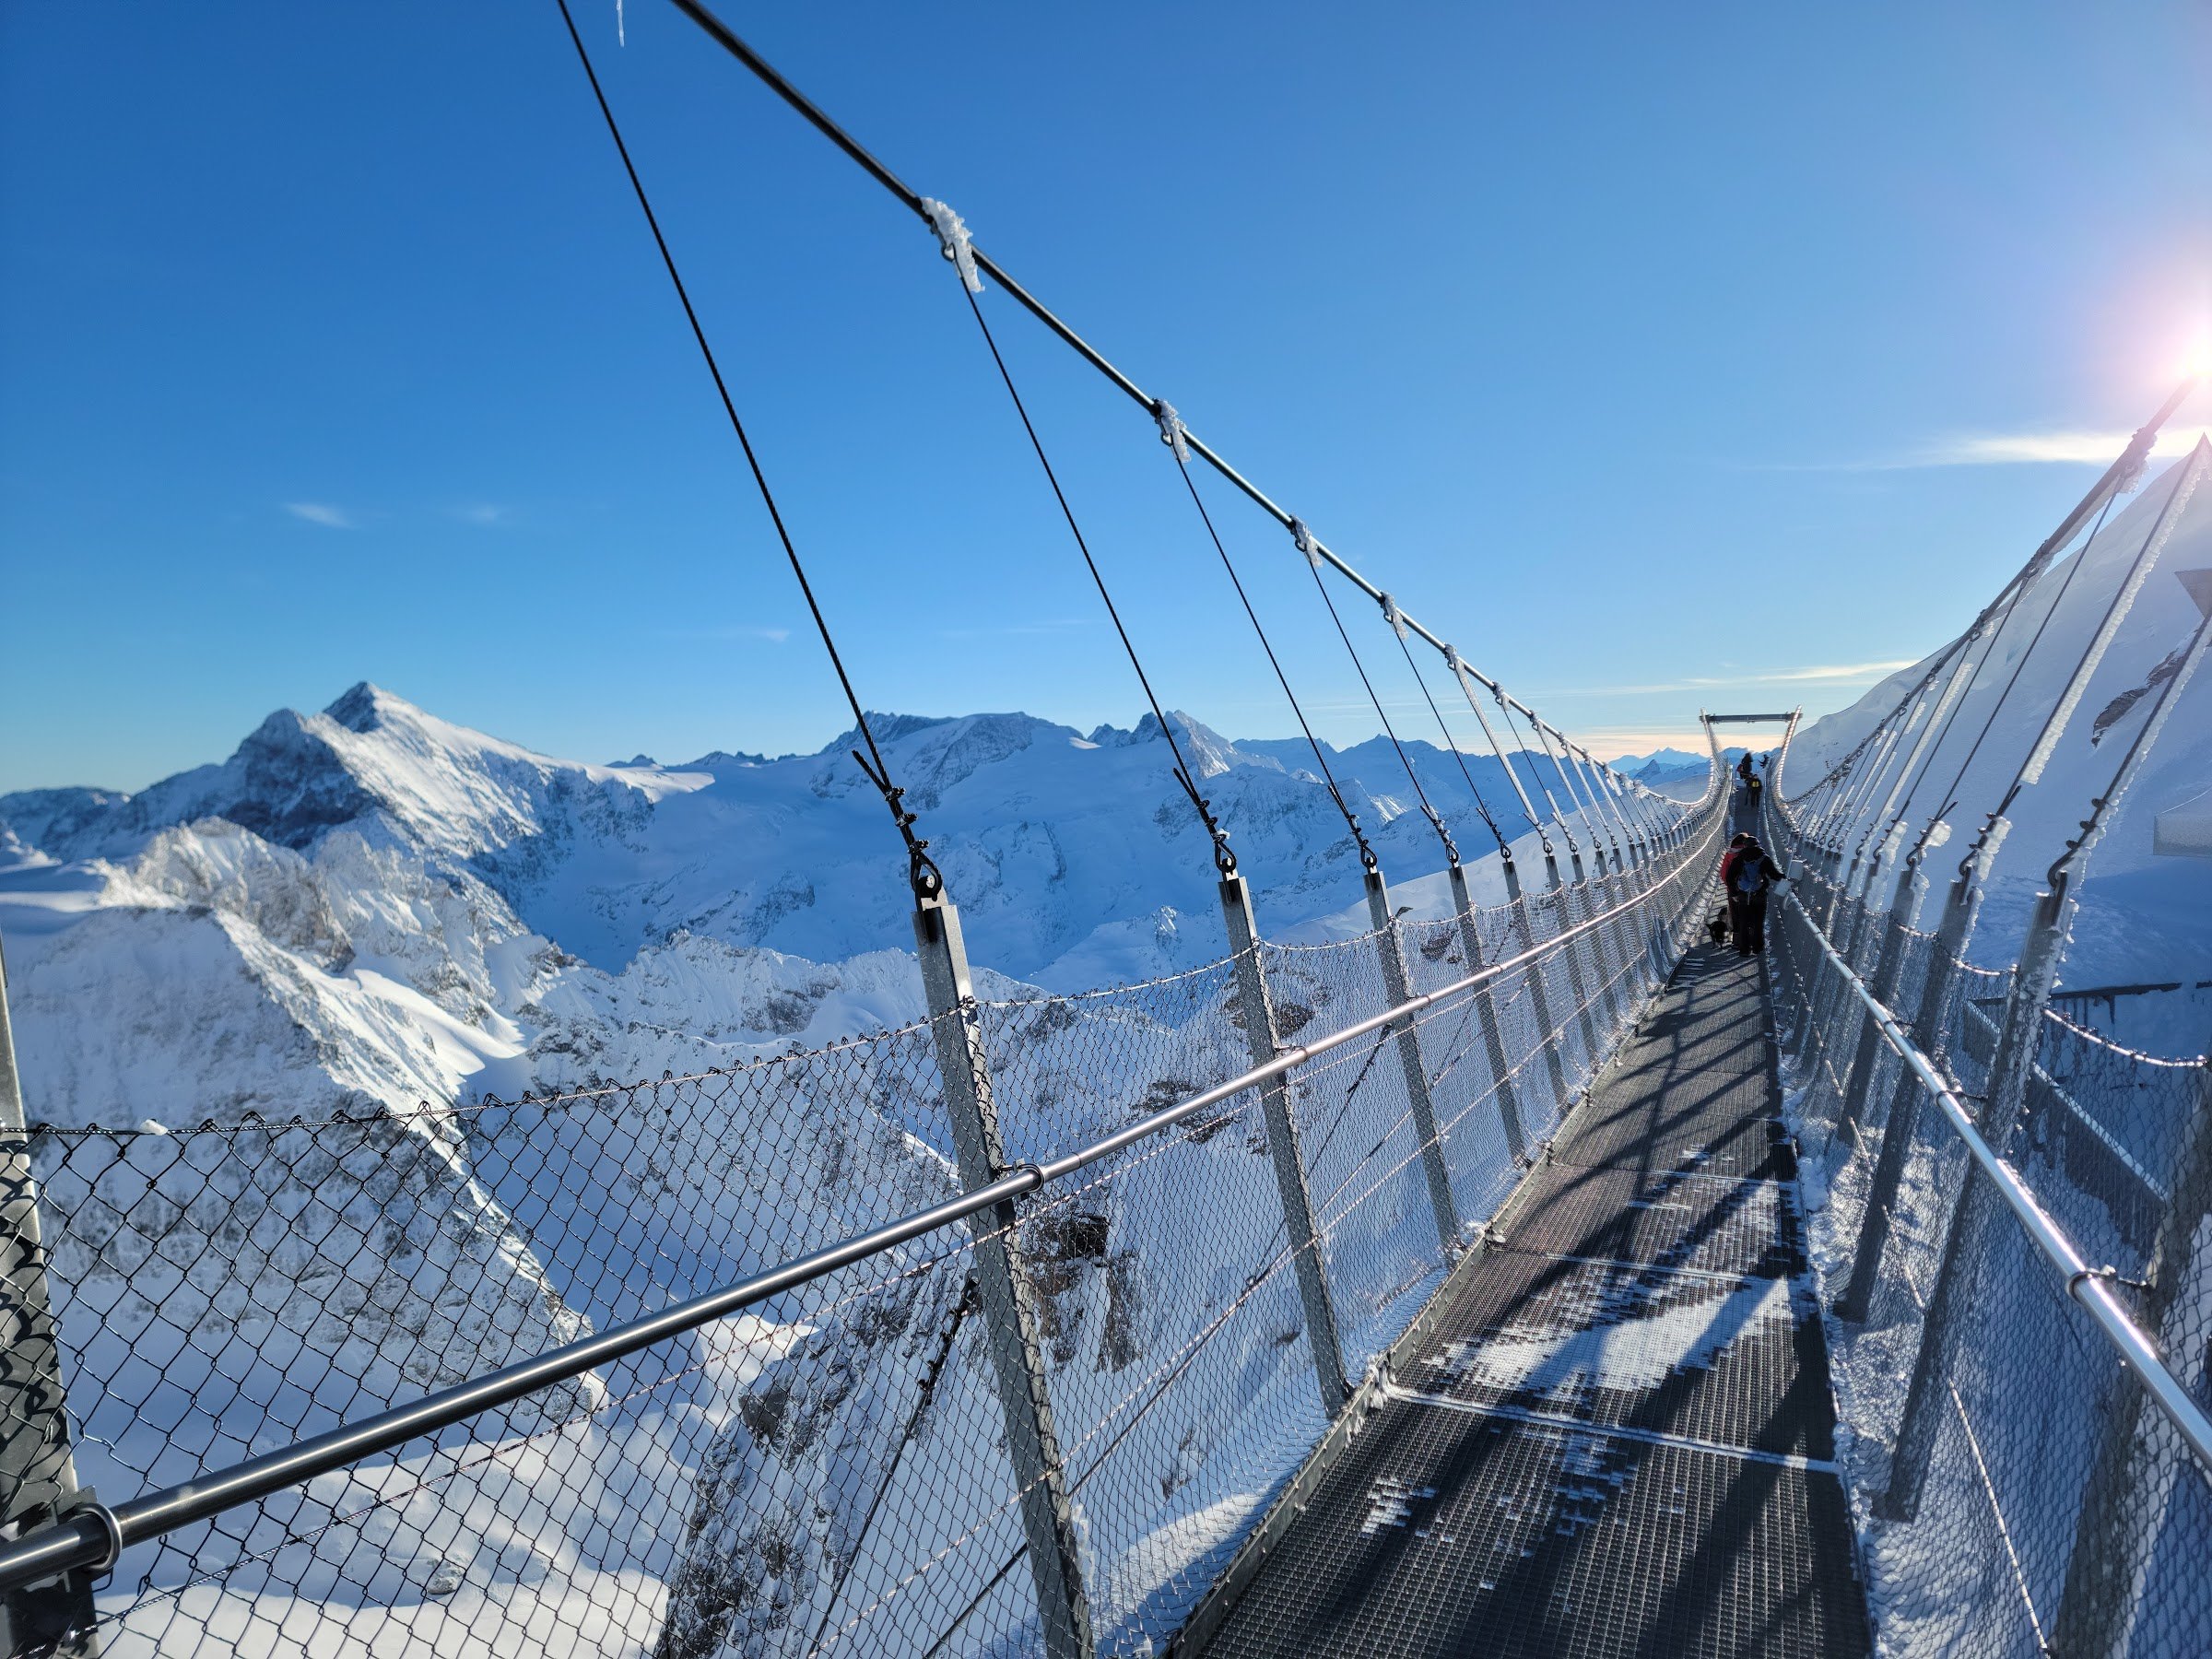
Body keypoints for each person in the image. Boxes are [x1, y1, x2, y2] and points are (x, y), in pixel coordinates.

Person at [1718, 833, 1786, 955]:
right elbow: (1774, 874)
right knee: (1758, 922)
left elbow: (1729, 877)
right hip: (1759, 895)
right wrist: (1784, 878)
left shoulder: (1739, 858)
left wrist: (1734, 893)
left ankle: (1744, 950)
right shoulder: (1764, 858)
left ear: (1745, 846)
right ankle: (1757, 948)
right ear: (1758, 845)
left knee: (1743, 922)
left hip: (1743, 896)